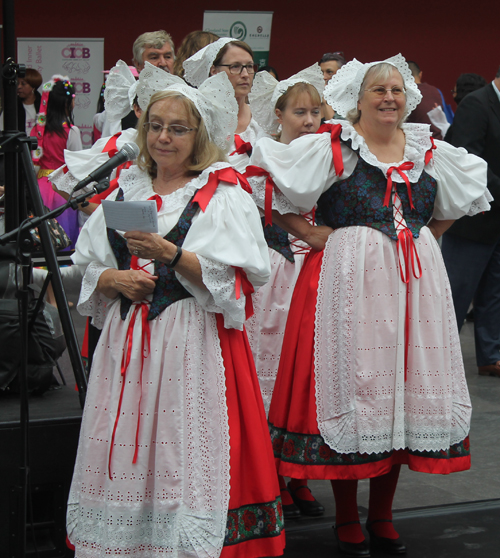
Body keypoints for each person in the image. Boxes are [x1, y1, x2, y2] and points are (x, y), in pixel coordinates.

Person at [250, 54, 489, 556]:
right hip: (351, 283)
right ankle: (345, 516)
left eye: (397, 90)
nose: (388, 97)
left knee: (405, 392)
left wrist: (423, 235)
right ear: (355, 101)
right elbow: (267, 183)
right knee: (357, 390)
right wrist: (312, 233)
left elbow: (456, 204)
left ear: (410, 99)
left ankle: (382, 514)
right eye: (378, 90)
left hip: (415, 286)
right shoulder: (335, 148)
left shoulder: (427, 149)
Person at [66, 70, 285, 558]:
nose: (163, 137)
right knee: (124, 442)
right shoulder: (125, 189)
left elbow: (241, 281)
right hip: (127, 342)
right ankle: (125, 541)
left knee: (179, 444)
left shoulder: (222, 195)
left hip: (189, 340)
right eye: (156, 126)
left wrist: (170, 254)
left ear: (199, 134)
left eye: (178, 128)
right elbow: (86, 266)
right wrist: (111, 279)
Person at [246, 64, 328, 519]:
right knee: (271, 369)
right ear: (278, 114)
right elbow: (265, 212)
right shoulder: (263, 155)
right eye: (300, 112)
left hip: (318, 269)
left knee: (307, 374)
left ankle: (298, 472)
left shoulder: (327, 154)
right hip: (278, 268)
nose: (310, 120)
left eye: (316, 112)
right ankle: (268, 474)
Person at [441, 65, 500, 378]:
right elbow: (468, 160)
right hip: (473, 220)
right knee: (455, 293)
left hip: (498, 221)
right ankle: (437, 357)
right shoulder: (477, 104)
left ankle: (491, 355)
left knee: (495, 291)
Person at [183, 37, 268, 173]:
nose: (245, 74)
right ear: (214, 71)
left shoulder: (263, 119)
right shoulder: (201, 120)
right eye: (235, 67)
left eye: (250, 66)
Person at [31, 76, 82, 247]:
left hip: (39, 187)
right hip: (63, 188)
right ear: (66, 102)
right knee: (63, 235)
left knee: (41, 234)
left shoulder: (36, 130)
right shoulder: (71, 131)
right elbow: (77, 166)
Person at [406, 61, 445, 139]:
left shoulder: (406, 93)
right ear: (420, 74)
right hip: (440, 141)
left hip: (419, 144)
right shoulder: (435, 91)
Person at [319, 52, 346, 120]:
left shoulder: (350, 100)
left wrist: (325, 101)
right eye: (321, 72)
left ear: (342, 73)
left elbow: (334, 127)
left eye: (330, 72)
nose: (324, 77)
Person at [17, 68, 42, 136]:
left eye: (23, 84)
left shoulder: (44, 106)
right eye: (17, 83)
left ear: (33, 86)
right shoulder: (13, 107)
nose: (19, 87)